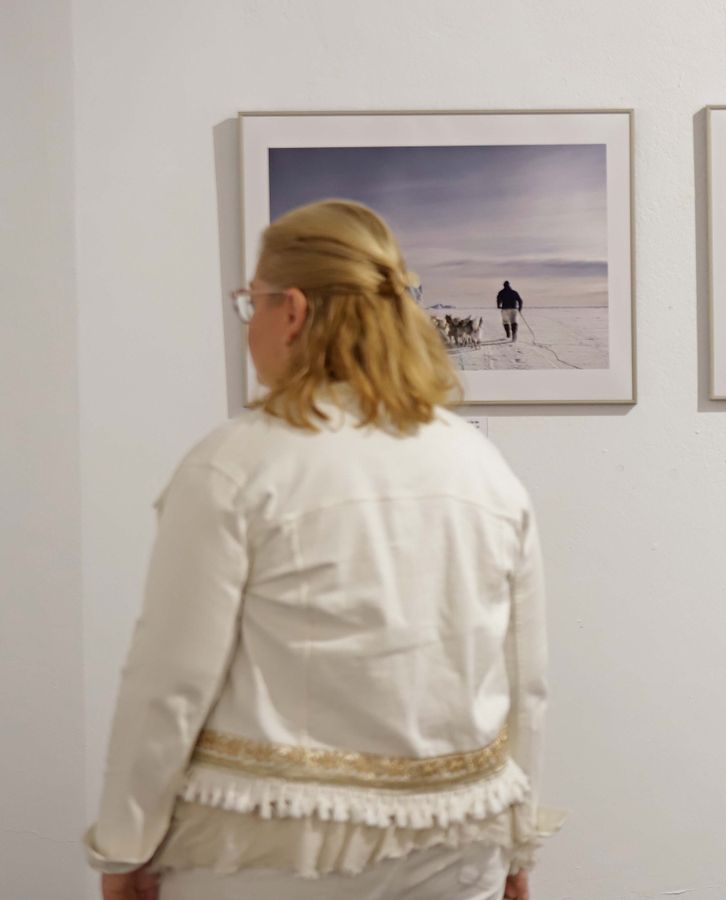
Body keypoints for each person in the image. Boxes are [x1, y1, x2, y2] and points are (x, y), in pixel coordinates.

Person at [85, 199, 560, 900]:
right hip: (454, 852)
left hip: (271, 855)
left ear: (294, 311)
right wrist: (518, 840)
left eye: (252, 303)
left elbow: (169, 683)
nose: (251, 328)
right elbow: (525, 681)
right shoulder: (482, 468)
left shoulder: (235, 466)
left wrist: (123, 844)